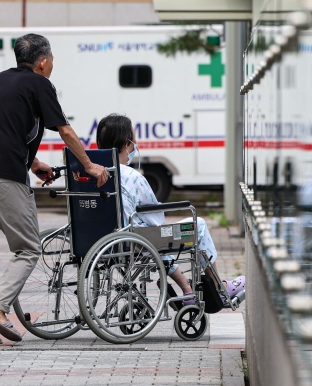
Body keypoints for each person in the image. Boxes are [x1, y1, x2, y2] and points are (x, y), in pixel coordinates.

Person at [0, 34, 109, 345]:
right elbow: (65, 131)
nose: (53, 64)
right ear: (43, 62)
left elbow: (5, 129)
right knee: (29, 248)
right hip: (5, 177)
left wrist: (33, 163)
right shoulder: (40, 84)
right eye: (52, 59)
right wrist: (88, 165)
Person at [95, 114, 245, 305]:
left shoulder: (91, 173)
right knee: (196, 225)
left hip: (100, 241)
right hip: (133, 242)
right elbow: (156, 219)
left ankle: (187, 289)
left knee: (153, 236)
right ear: (127, 143)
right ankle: (217, 287)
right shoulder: (132, 177)